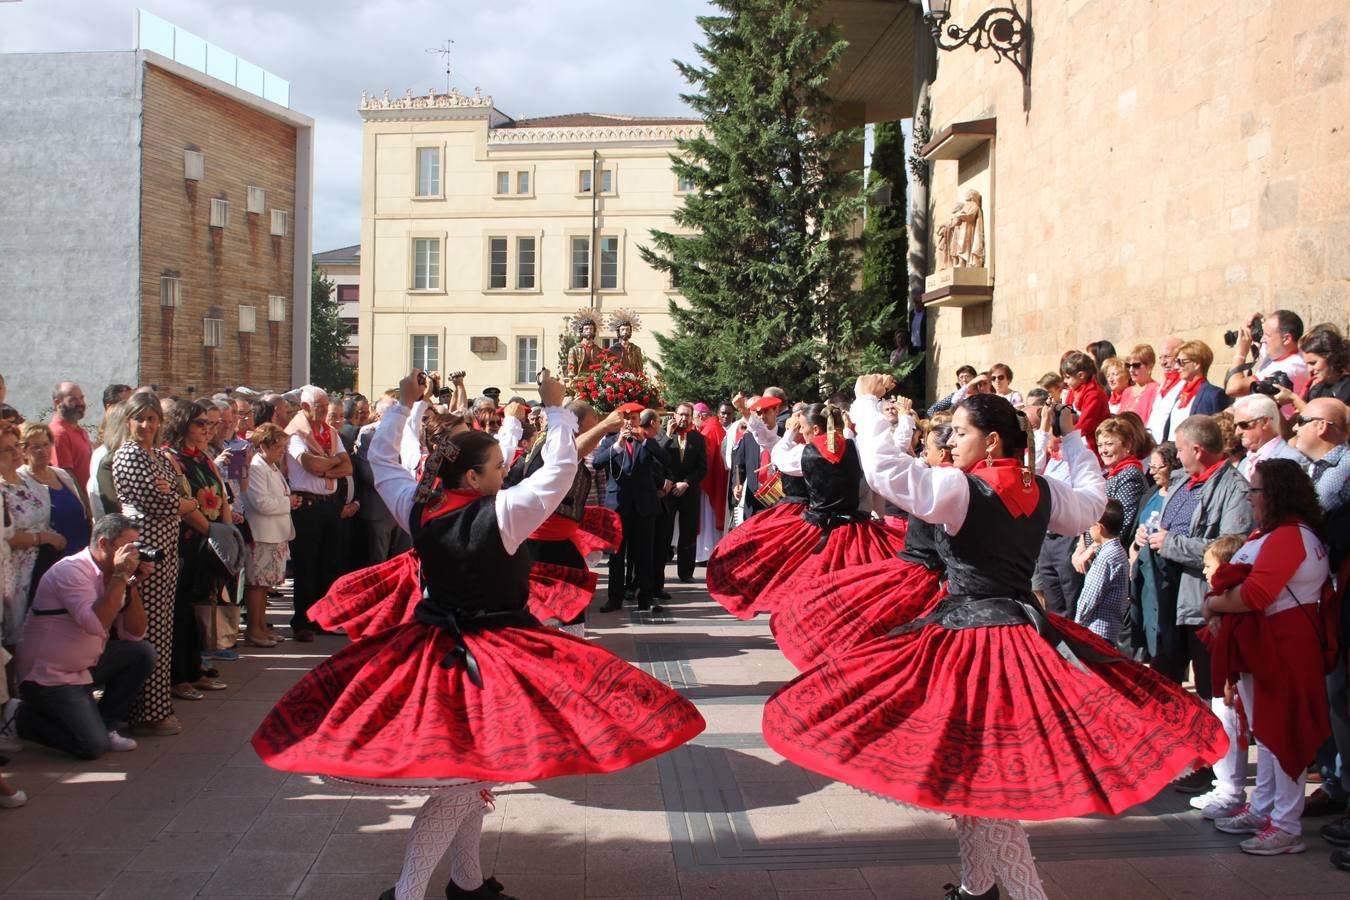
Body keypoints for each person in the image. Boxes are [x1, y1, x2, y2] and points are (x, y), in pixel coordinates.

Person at [251, 368, 704, 900]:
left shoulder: (418, 505)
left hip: (433, 651)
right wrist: (556, 409)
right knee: (461, 787)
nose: (504, 470)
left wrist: (402, 405)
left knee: (468, 778)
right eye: (495, 466)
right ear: (471, 478)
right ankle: (407, 893)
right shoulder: (505, 512)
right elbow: (558, 472)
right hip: (490, 656)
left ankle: (466, 883)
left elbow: (381, 463)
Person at [765, 382, 1226, 900]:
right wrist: (1072, 444)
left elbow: (887, 473)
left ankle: (1028, 895)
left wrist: (867, 403)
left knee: (982, 774)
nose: (952, 439)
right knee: (971, 771)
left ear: (991, 442)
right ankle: (976, 884)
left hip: (973, 641)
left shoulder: (962, 489)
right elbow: (1095, 503)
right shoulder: (1041, 489)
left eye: (961, 432)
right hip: (1018, 632)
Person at [1206, 459, 1331, 855]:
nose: (1250, 498)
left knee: (1282, 735)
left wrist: (1215, 604)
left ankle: (1286, 826)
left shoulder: (1290, 536)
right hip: (1271, 647)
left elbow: (1257, 594)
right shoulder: (1282, 533)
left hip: (1284, 648)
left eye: (1255, 491)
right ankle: (1264, 810)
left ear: (1274, 494)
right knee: (1270, 734)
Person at [1137, 415, 1253, 804]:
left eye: (1181, 450)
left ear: (1198, 450)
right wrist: (1148, 534)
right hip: (1169, 599)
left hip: (1202, 600)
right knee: (1169, 680)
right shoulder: (1186, 482)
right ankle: (1180, 757)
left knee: (1209, 688)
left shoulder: (1233, 487)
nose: (1177, 457)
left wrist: (1170, 544)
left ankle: (1217, 771)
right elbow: (1166, 526)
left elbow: (1231, 546)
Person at [710, 403, 905, 621]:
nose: (800, 430)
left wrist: (789, 433)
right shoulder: (856, 447)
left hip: (819, 528)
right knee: (851, 582)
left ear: (815, 430)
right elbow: (889, 452)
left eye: (802, 427)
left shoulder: (805, 452)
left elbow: (779, 456)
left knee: (808, 581)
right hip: (855, 528)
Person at [14, 514, 153, 759]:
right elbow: (95, 624)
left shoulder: (115, 575)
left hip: (85, 667)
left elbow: (134, 634)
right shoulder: (72, 570)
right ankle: (18, 717)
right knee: (91, 746)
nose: (134, 554)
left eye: (137, 546)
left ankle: (106, 724)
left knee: (141, 653)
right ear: (103, 544)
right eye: (128, 547)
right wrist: (121, 577)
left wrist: (131, 584)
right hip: (49, 676)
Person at [112, 392, 195, 737]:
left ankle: (155, 706)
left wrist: (179, 498)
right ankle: (145, 709)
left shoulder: (158, 455)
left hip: (167, 549)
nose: (146, 425)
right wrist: (181, 501)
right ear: (128, 421)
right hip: (144, 551)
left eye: (152, 419)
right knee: (145, 629)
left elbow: (179, 491)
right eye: (139, 419)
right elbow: (161, 502)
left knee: (162, 629)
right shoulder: (128, 455)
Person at [161, 400, 232, 700]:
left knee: (201, 604)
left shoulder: (204, 457)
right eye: (201, 423)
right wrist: (212, 532)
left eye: (210, 424)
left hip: (210, 540)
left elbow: (222, 495)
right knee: (182, 611)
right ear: (182, 425)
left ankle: (196, 668)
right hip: (188, 542)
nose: (208, 429)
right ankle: (180, 676)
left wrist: (226, 534)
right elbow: (183, 505)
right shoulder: (170, 457)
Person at [286, 386, 351, 641]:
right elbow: (310, 464)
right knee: (306, 564)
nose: (324, 411)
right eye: (319, 407)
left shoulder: (331, 433)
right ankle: (302, 621)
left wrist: (327, 466)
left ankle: (323, 619)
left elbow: (348, 467)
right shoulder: (296, 433)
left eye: (326, 406)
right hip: (308, 506)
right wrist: (331, 462)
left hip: (330, 503)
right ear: (305, 407)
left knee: (330, 563)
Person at [595, 404, 666, 613]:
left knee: (644, 554)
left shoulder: (648, 442)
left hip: (644, 507)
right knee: (617, 556)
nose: (629, 423)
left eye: (633, 419)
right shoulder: (609, 442)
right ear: (620, 421)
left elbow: (666, 460)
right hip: (619, 506)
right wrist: (617, 445)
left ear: (638, 420)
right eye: (626, 419)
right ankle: (614, 598)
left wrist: (645, 442)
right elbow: (598, 464)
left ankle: (646, 597)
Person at [1, 423, 58, 647]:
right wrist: (43, 538)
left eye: (16, 446)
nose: (16, 452)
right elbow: (5, 537)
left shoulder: (28, 484)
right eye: (7, 449)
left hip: (40, 569)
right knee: (15, 639)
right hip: (13, 575)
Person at [243, 424, 297, 647]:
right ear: (263, 446)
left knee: (265, 585)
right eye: (278, 446)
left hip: (275, 534)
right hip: (262, 534)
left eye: (284, 447)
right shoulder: (257, 467)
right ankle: (254, 630)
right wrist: (289, 502)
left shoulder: (271, 466)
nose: (282, 451)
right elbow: (260, 503)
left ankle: (262, 627)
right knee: (257, 584)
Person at [19, 423, 90, 579]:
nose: (42, 451)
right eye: (35, 447)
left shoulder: (62, 474)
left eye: (46, 444)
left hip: (81, 552)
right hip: (52, 562)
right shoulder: (21, 481)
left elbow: (83, 510)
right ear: (23, 451)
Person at [654, 403, 708, 595]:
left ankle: (686, 572)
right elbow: (657, 458)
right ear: (674, 415)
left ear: (692, 417)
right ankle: (658, 573)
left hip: (688, 491)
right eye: (681, 415)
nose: (684, 418)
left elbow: (702, 468)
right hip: (668, 491)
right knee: (664, 532)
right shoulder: (663, 436)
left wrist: (686, 483)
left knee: (688, 531)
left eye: (688, 415)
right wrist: (668, 435)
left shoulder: (699, 439)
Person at [354, 395, 414, 565]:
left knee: (402, 558)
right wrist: (396, 486)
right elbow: (368, 472)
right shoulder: (368, 434)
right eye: (391, 411)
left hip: (402, 505)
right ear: (380, 415)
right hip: (380, 507)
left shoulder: (405, 432)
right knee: (378, 560)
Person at [1073, 499, 1130, 640]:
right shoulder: (1119, 551)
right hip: (1111, 627)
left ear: (1099, 527)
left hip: (1096, 629)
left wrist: (1077, 622)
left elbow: (1091, 595)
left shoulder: (1106, 557)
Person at [1225, 309, 1310, 403]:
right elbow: (1266, 339)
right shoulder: (1281, 351)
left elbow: (1233, 388)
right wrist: (1257, 321)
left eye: (1267, 335)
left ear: (1286, 339)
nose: (1262, 339)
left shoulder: (1290, 368)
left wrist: (1241, 352)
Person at [1231, 393, 1307, 480]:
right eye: (1235, 426)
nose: (1237, 432)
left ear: (1265, 422)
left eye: (1243, 425)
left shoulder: (1292, 460)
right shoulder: (1244, 463)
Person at [1275, 326, 1350, 410]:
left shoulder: (1346, 386)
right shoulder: (1318, 388)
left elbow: (1326, 420)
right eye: (1307, 364)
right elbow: (1293, 422)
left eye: (1313, 363)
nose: (1309, 369)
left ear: (1331, 358)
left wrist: (1293, 399)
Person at [695, 401, 728, 562]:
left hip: (708, 483)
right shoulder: (716, 427)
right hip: (717, 480)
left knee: (707, 518)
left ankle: (705, 553)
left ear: (701, 416)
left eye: (694, 417)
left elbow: (704, 458)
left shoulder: (708, 430)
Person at [1060, 351, 1109, 458]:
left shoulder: (1094, 395)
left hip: (1092, 444)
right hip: (1076, 440)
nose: (1065, 381)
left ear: (1081, 375)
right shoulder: (1073, 390)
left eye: (1068, 377)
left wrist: (1063, 438)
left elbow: (1084, 425)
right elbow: (1066, 412)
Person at [47, 381, 93, 489]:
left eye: (81, 398)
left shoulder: (79, 430)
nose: (80, 403)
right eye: (73, 400)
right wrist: (85, 504)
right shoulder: (59, 433)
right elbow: (66, 477)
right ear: (58, 403)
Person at [1146, 335, 1186, 443]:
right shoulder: (1163, 384)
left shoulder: (1185, 385)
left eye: (1167, 357)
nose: (1163, 362)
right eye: (1161, 357)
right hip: (1153, 446)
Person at [1118, 344, 1160, 422]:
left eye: (1136, 365)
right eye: (1128, 365)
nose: (1131, 370)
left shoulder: (1156, 389)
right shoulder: (1127, 391)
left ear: (1149, 366)